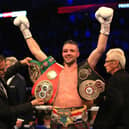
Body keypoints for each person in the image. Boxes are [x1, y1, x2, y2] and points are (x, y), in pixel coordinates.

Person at [13, 6, 114, 129]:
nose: (68, 53)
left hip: (78, 116)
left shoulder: (83, 70)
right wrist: (24, 29)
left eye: (72, 51)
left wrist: (105, 25)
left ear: (77, 54)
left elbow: (99, 50)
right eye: (65, 51)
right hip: (56, 116)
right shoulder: (55, 69)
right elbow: (36, 51)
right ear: (62, 53)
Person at [0, 54, 44, 129]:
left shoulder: (3, 77)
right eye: (1, 69)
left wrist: (21, 63)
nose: (4, 71)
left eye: (4, 68)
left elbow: (8, 72)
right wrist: (31, 104)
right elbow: (7, 111)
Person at [92, 48, 129, 129]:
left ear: (115, 63)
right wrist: (104, 89)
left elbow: (115, 106)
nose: (104, 65)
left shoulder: (115, 79)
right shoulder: (124, 77)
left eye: (106, 61)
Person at [5, 56, 27, 129]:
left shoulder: (20, 80)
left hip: (15, 116)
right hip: (6, 115)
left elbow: (22, 99)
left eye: (6, 65)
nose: (5, 67)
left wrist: (20, 118)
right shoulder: (4, 78)